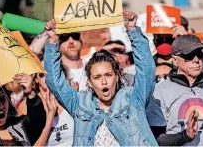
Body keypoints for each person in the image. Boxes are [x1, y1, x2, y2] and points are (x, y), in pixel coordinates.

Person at [44, 11, 157, 146]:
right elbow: (54, 81)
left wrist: (133, 31)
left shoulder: (133, 99)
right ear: (90, 83)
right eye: (97, 77)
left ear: (117, 77)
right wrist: (53, 41)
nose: (104, 81)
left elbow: (146, 71)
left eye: (108, 75)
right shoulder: (79, 104)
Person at [149, 34, 203, 146]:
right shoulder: (159, 92)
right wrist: (186, 135)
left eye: (200, 54)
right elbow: (155, 138)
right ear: (175, 60)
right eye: (190, 55)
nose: (196, 60)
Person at [0, 74, 56, 146]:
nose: (0, 105)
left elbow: (37, 119)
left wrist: (30, 93)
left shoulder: (20, 124)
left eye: (2, 99)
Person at [30, 22, 88, 91]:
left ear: (81, 40)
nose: (71, 41)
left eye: (75, 35)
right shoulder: (53, 67)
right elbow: (31, 54)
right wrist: (46, 33)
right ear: (59, 42)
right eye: (64, 37)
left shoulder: (91, 62)